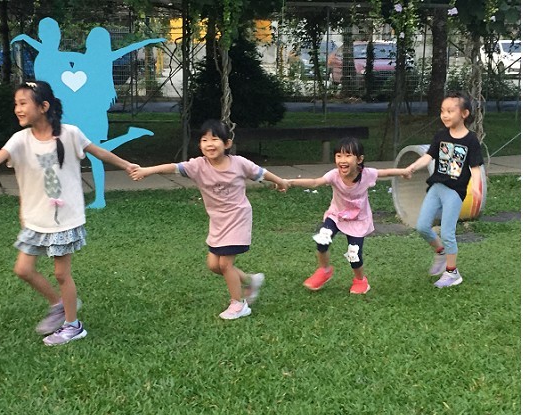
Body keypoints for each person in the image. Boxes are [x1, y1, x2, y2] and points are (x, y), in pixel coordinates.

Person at [0, 80, 140, 345]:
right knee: (23, 269)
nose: (17, 109)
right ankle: (59, 305)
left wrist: (127, 165)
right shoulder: (20, 140)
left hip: (65, 219)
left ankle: (73, 326)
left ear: (44, 106)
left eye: (23, 103)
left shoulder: (70, 134)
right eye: (16, 104)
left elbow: (98, 152)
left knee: (62, 274)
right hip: (35, 219)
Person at [130, 119, 290, 320]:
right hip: (218, 221)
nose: (209, 144)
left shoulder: (239, 163)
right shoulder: (198, 166)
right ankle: (250, 281)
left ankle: (238, 304)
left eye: (215, 139)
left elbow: (262, 173)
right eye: (204, 140)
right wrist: (146, 171)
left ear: (227, 143)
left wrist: (281, 182)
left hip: (238, 218)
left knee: (225, 265)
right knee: (214, 265)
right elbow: (172, 167)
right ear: (200, 145)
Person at [288, 137, 410, 294]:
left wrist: (404, 172)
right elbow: (314, 182)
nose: (342, 160)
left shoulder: (366, 174)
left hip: (358, 221)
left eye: (348, 156)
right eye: (338, 156)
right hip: (336, 215)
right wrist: (290, 182)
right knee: (322, 240)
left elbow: (385, 172)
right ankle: (324, 270)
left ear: (359, 159)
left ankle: (360, 280)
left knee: (354, 254)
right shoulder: (334, 175)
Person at [405, 91, 484, 288]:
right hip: (436, 187)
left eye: (450, 111)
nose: (445, 115)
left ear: (464, 113)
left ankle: (452, 272)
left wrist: (477, 189)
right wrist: (412, 167)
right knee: (422, 226)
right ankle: (440, 252)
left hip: (454, 192)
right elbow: (428, 157)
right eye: (442, 111)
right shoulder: (440, 136)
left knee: (448, 232)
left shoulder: (471, 140)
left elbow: (475, 168)